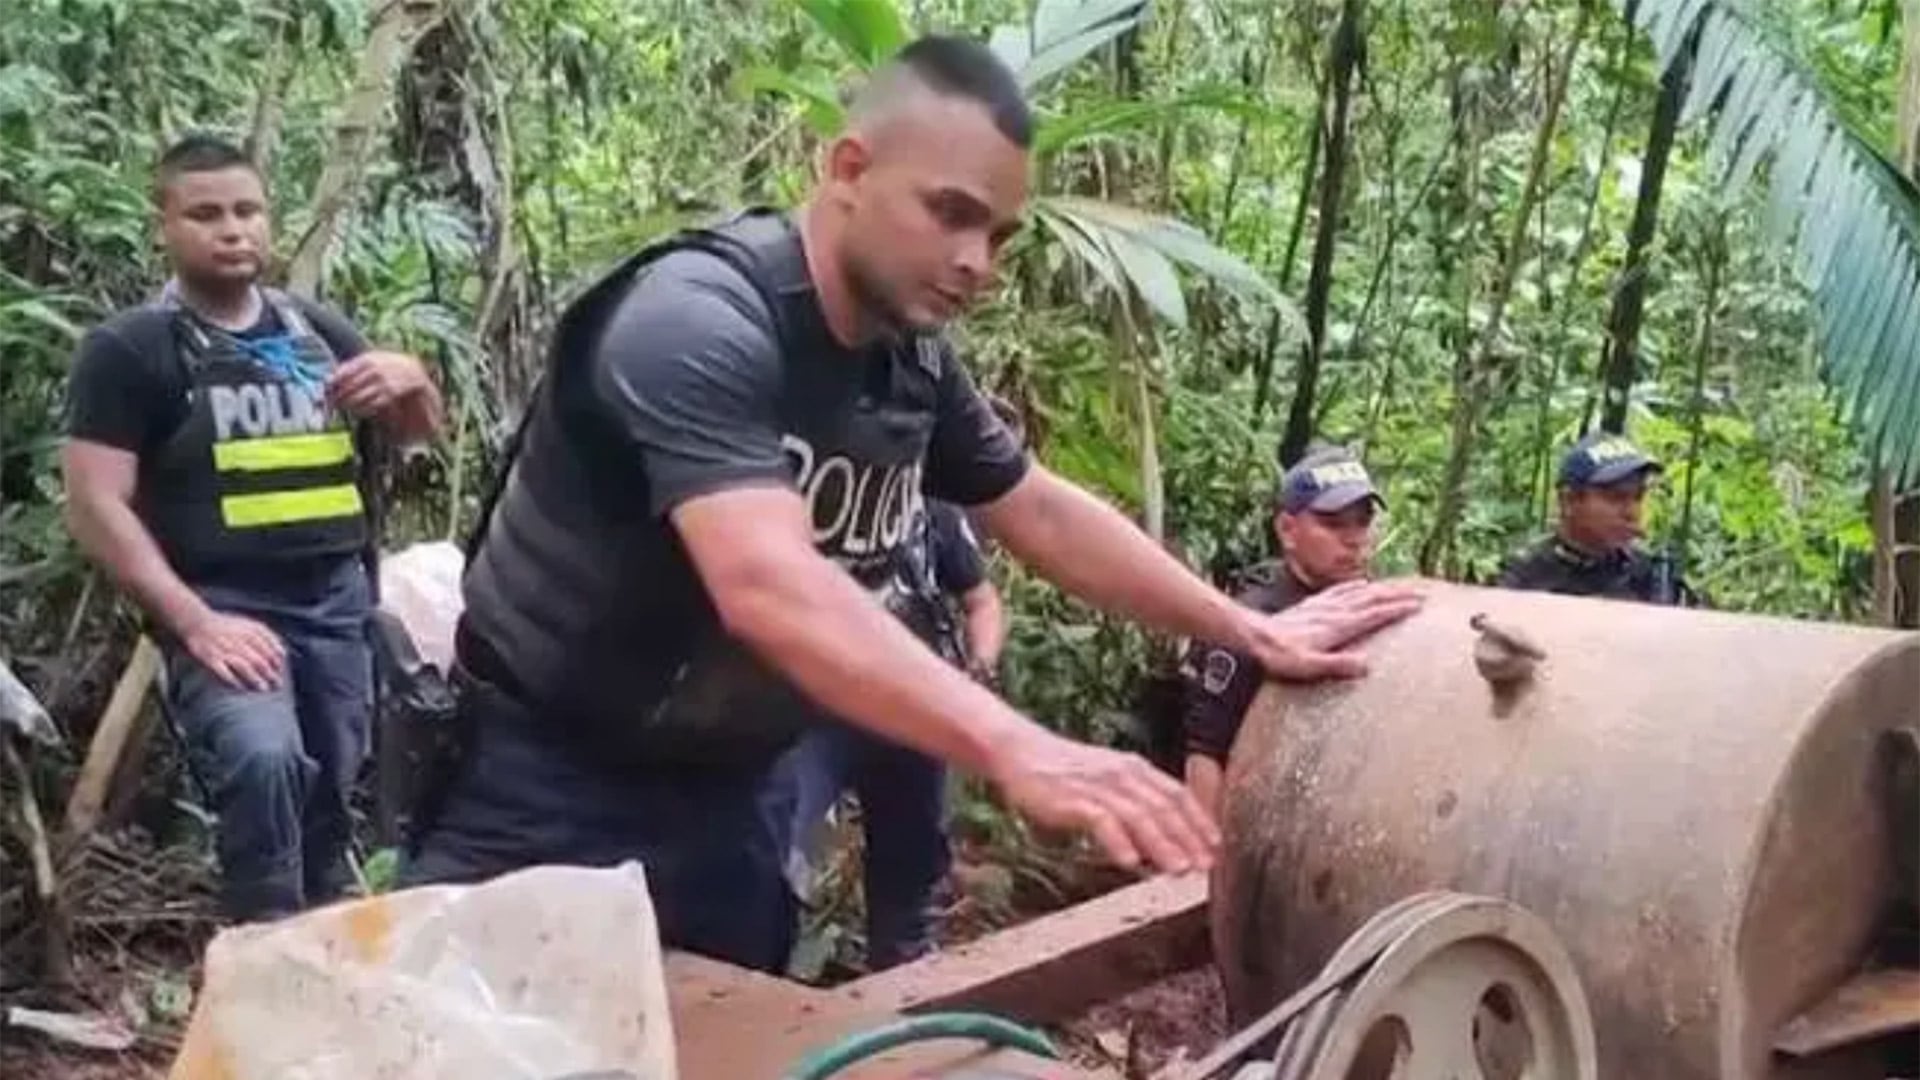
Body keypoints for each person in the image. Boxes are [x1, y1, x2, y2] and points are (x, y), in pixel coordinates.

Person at [402, 35, 1421, 973]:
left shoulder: (911, 364)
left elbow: (1037, 509)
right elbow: (768, 585)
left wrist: (1245, 628)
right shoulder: (696, 321)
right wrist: (1016, 746)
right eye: (951, 213)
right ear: (847, 169)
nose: (978, 261)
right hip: (545, 781)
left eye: (1000, 234)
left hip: (730, 797)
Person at [62, 134, 443, 922]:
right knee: (262, 759)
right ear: (164, 226)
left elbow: (415, 436)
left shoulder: (316, 330)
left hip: (335, 602)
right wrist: (195, 623)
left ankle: (325, 938)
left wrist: (412, 380)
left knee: (333, 783)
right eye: (205, 214)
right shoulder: (131, 350)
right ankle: (264, 936)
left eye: (247, 211)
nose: (232, 230)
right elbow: (95, 505)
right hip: (222, 602)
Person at [768, 497, 1004, 971]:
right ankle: (762, 974)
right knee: (778, 845)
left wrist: (979, 665)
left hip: (914, 712)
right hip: (813, 712)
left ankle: (904, 974)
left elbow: (981, 599)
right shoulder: (800, 496)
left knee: (913, 862)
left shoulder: (930, 505)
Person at [1178, 445, 1383, 816]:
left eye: (1362, 521)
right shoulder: (1250, 622)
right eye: (1334, 524)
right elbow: (1205, 752)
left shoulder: (1374, 605)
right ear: (1288, 530)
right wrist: (1208, 847)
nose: (1354, 538)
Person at [1498, 432, 1697, 605]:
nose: (1632, 512)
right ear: (1569, 501)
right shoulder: (1522, 577)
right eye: (1616, 498)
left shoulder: (1651, 575)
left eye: (1638, 497)